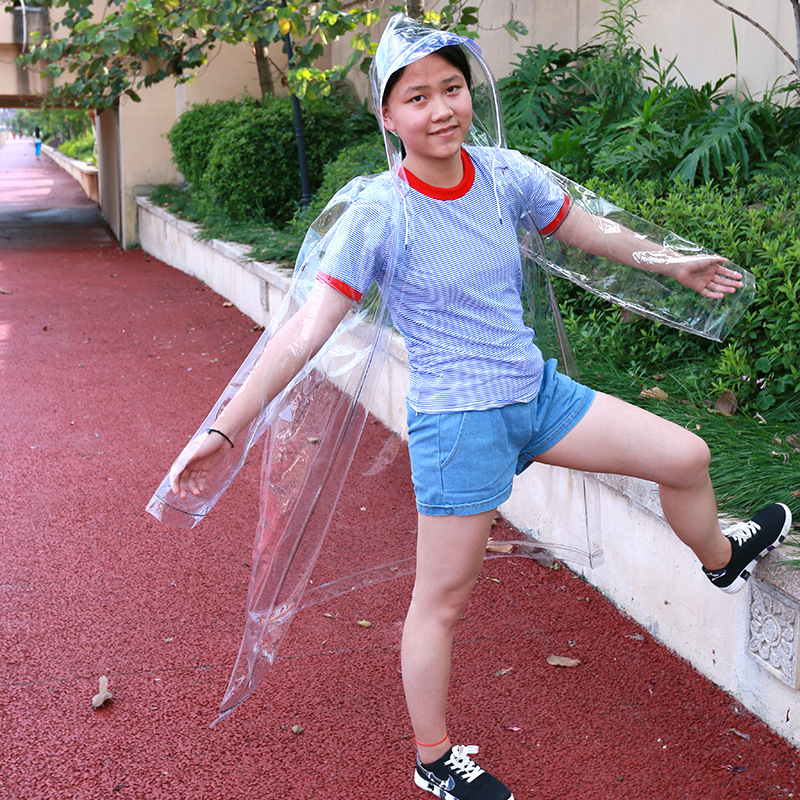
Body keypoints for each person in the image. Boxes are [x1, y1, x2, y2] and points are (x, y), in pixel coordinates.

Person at [167, 16, 791, 800]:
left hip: (538, 397)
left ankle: (721, 560)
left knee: (687, 457)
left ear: (470, 92)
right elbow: (305, 331)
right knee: (442, 602)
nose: (440, 109)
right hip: (459, 426)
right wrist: (226, 426)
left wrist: (676, 263)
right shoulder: (378, 213)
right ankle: (433, 759)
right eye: (417, 96)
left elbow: (588, 230)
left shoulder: (501, 175)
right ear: (389, 117)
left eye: (452, 88)